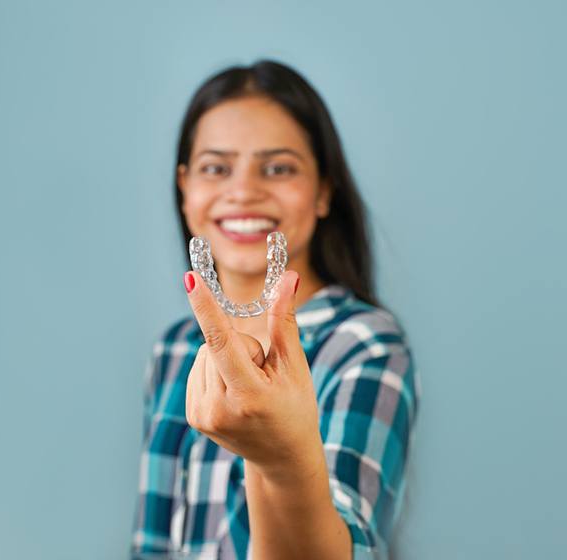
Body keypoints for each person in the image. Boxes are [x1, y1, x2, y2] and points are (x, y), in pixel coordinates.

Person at [130, 59, 420, 560]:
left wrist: (278, 460)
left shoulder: (365, 346)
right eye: (215, 168)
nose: (243, 191)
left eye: (279, 168)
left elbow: (343, 548)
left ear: (324, 190)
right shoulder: (175, 349)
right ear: (185, 189)